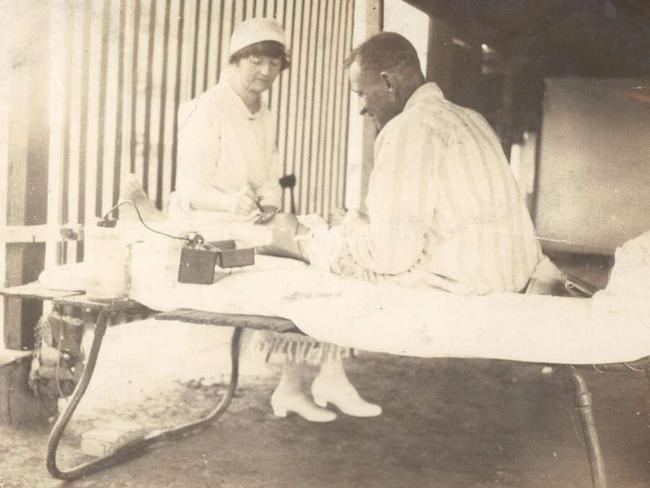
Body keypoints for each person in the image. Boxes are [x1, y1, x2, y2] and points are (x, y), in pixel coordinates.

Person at [174, 18, 381, 422]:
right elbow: (190, 190)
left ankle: (316, 380)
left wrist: (269, 198)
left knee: (324, 246)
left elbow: (269, 175)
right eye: (256, 60)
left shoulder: (264, 114)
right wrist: (232, 202)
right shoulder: (207, 109)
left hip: (245, 227)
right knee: (303, 262)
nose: (266, 72)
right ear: (234, 59)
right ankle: (305, 383)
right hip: (206, 234)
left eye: (274, 63)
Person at [270, 31, 544, 295]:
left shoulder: (408, 128)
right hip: (514, 282)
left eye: (361, 93)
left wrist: (347, 227)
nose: (361, 108)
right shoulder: (473, 119)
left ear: (388, 82)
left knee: (328, 253)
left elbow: (388, 256)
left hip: (465, 292)